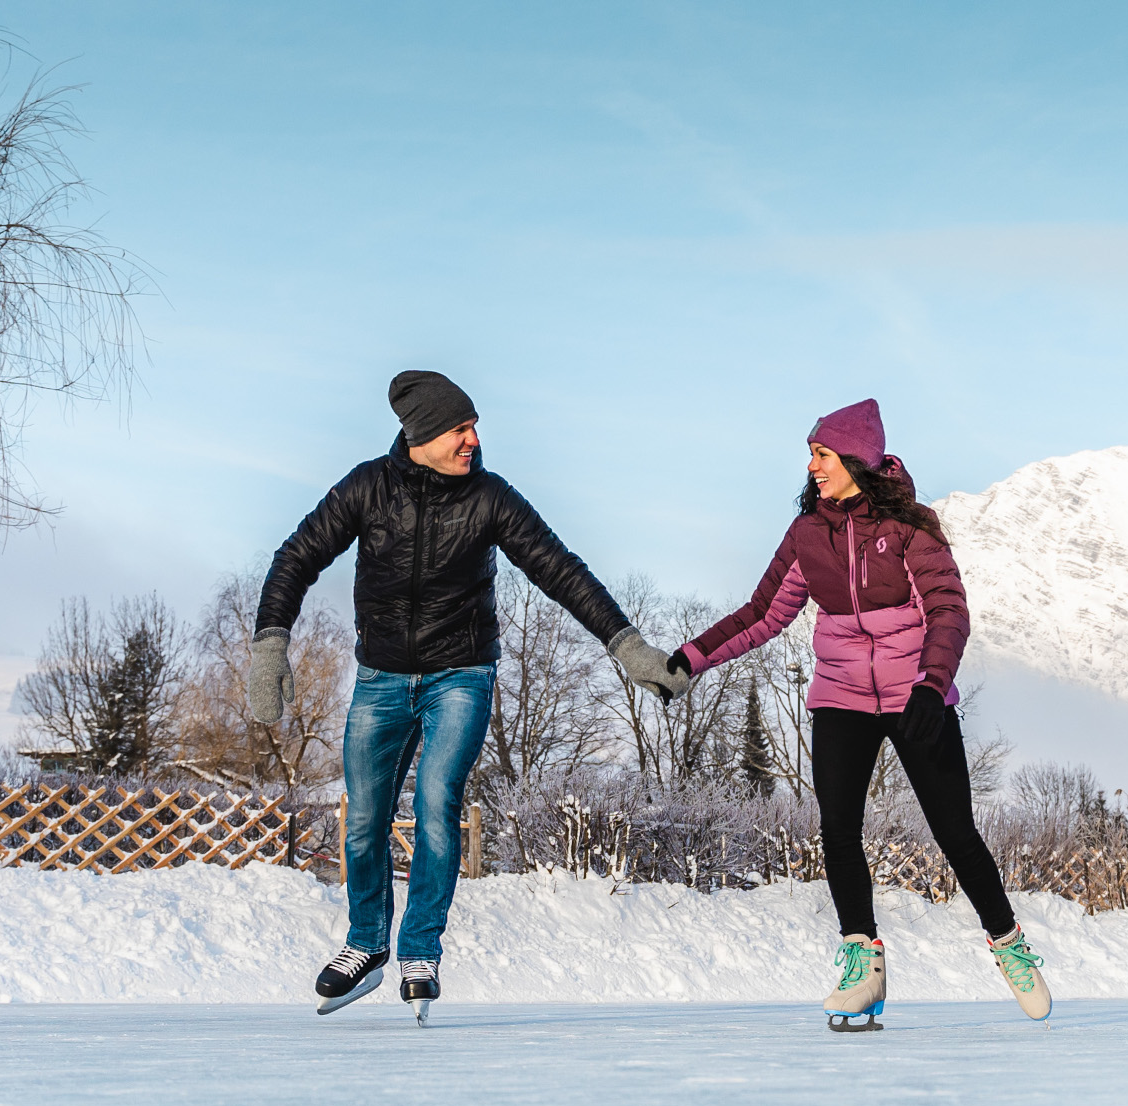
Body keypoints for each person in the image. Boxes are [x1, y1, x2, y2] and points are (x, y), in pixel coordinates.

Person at [251, 370, 685, 1024]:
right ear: (423, 436)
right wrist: (269, 644)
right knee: (364, 816)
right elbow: (297, 556)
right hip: (382, 677)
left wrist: (626, 646)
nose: (473, 440)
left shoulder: (490, 497)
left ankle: (419, 947)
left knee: (435, 799)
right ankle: (366, 943)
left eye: (473, 426)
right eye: (460, 428)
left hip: (461, 675)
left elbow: (558, 568)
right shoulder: (368, 487)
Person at [667, 399, 1050, 1030]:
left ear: (855, 459)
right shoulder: (807, 534)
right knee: (838, 828)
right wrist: (688, 661)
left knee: (955, 831)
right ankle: (862, 961)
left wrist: (931, 686)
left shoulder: (910, 525)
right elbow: (762, 616)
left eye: (821, 454)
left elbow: (949, 610)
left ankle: (1008, 943)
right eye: (812, 455)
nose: (812, 466)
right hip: (841, 694)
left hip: (914, 695)